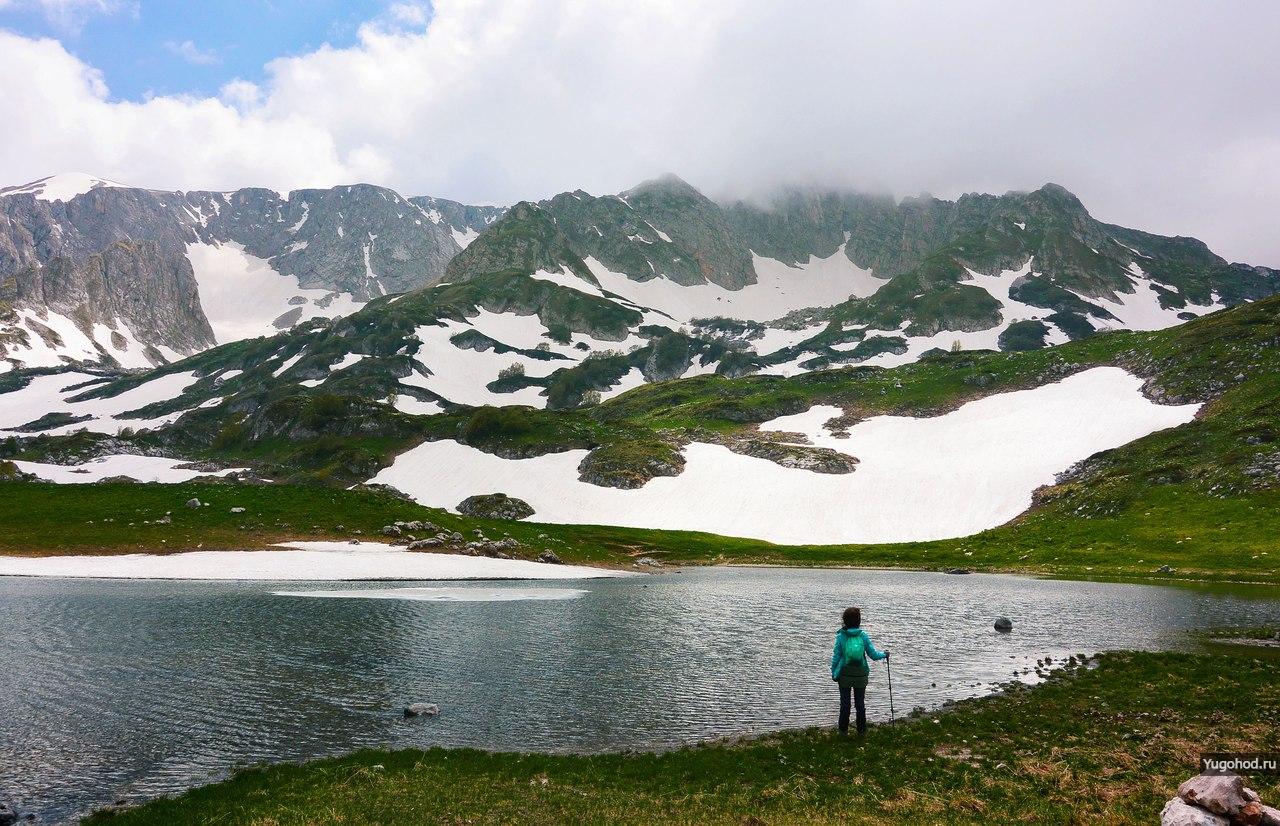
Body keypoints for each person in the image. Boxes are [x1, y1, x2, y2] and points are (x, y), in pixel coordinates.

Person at [830, 606, 888, 735]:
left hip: (845, 674)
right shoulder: (863, 636)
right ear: (859, 621)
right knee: (860, 703)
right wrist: (884, 655)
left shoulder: (841, 636)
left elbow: (836, 657)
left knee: (845, 704)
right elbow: (873, 654)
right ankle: (861, 730)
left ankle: (843, 731)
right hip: (860, 674)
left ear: (844, 621)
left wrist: (834, 672)